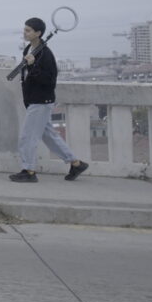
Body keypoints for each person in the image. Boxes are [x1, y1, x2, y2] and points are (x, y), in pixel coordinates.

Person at [9, 17, 89, 183]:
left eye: (28, 30)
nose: (24, 33)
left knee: (27, 137)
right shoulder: (28, 49)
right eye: (24, 29)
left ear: (38, 33)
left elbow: (50, 81)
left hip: (41, 101)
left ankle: (29, 171)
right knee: (49, 136)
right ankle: (76, 164)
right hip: (33, 100)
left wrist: (33, 66)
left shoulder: (46, 54)